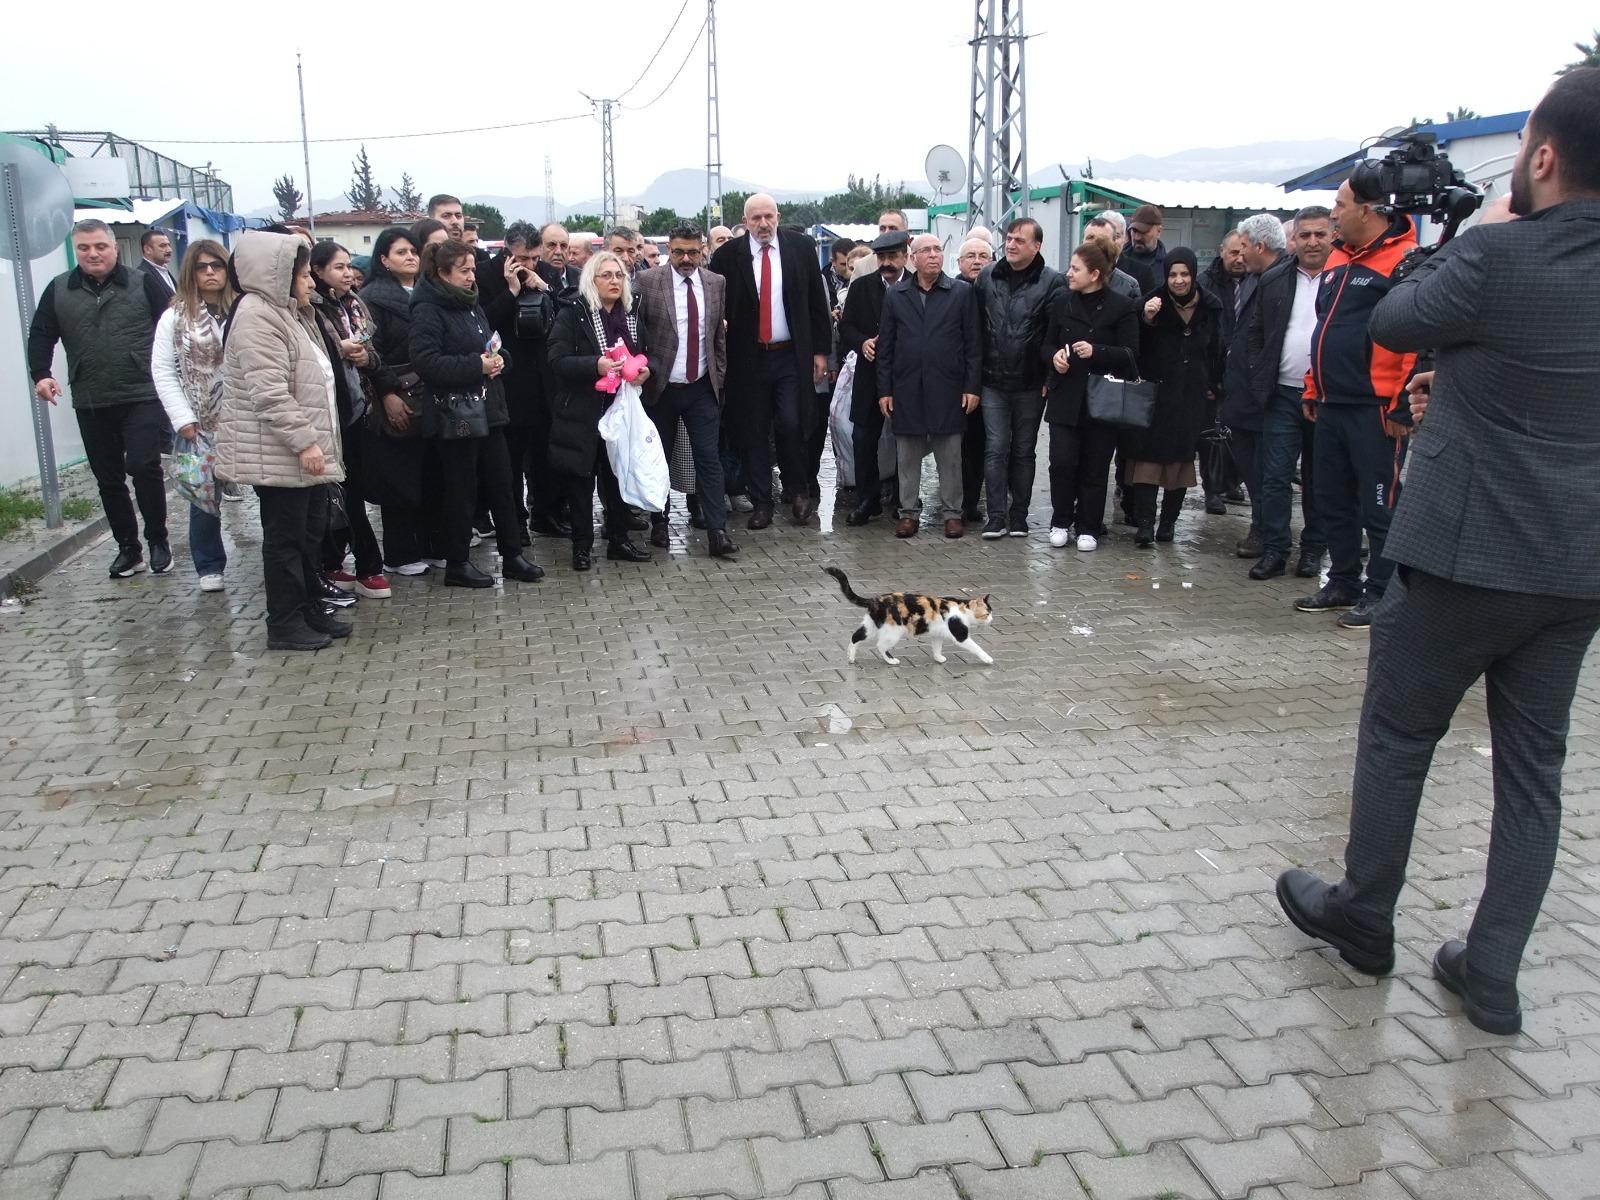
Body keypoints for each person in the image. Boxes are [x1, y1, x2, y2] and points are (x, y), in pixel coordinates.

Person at [1275, 69, 1600, 1037]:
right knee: (1533, 774)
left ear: (1544, 158)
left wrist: (1471, 232)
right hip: (1576, 569)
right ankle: (1491, 971)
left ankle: (1364, 916)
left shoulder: (1498, 252)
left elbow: (1394, 318)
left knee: (1398, 734)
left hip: (1464, 555)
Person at [214, 231, 349, 651]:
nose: (310, 282)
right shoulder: (257, 316)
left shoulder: (288, 312)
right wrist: (306, 442)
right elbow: (269, 392)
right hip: (281, 452)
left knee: (309, 535)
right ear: (277, 275)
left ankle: (308, 609)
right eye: (304, 275)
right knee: (286, 540)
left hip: (301, 451)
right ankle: (285, 622)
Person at [1293, 176, 1418, 629]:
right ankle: (1343, 581)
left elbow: (1415, 337)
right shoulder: (1338, 258)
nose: (1333, 214)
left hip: (1377, 408)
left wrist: (1401, 402)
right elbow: (1324, 328)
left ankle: (1382, 593)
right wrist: (1313, 385)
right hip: (1331, 403)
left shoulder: (1406, 260)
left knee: (1379, 507)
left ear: (1366, 210)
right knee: (1332, 499)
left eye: (1340, 205)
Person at [29, 219, 172, 578]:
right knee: (108, 479)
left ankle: (158, 540)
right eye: (84, 248)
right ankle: (129, 549)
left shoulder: (142, 282)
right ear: (76, 250)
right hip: (91, 397)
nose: (92, 254)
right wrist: (41, 374)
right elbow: (41, 334)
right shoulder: (59, 289)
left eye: (100, 246)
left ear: (114, 248)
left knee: (143, 466)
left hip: (141, 393)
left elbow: (171, 328)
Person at [409, 238, 545, 588]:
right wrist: (476, 366)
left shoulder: (472, 304)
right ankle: (457, 562)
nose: (472, 277)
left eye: (472, 269)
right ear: (442, 273)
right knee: (462, 488)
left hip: (490, 408)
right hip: (456, 414)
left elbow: (492, 343)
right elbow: (426, 361)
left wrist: (500, 361)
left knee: (502, 483)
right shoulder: (428, 308)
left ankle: (512, 555)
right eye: (464, 271)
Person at [707, 193, 831, 529]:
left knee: (791, 422)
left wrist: (820, 351)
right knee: (754, 430)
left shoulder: (800, 249)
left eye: (769, 217)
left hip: (790, 355)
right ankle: (762, 501)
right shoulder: (727, 256)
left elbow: (816, 303)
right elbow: (715, 303)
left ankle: (798, 489)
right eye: (756, 218)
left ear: (778, 217)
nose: (763, 224)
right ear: (745, 222)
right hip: (747, 359)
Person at [546, 250, 659, 570]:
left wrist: (647, 371)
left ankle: (619, 540)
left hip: (621, 410)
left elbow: (647, 353)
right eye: (606, 275)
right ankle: (581, 547)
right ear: (591, 280)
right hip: (583, 412)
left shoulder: (631, 315)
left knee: (617, 476)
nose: (614, 281)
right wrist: (595, 365)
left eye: (619, 275)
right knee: (581, 483)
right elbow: (557, 360)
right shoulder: (573, 312)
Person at [636, 224, 737, 559]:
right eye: (679, 252)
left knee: (709, 458)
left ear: (703, 250)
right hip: (661, 387)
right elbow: (638, 333)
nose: (686, 259)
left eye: (693, 252)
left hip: (701, 387)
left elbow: (718, 336)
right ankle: (659, 521)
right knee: (659, 458)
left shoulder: (716, 283)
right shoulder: (648, 281)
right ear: (669, 249)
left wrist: (719, 376)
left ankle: (717, 531)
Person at [1243, 206, 1333, 581]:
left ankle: (1313, 549)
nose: (1312, 242)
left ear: (1332, 235)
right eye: (1304, 235)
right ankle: (1276, 549)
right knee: (1276, 476)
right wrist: (1258, 372)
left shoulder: (1345, 275)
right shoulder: (1275, 278)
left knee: (1320, 478)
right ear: (1292, 238)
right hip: (1282, 393)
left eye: (1320, 234)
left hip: (1328, 397)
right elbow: (1256, 333)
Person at [876, 234, 981, 539]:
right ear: (913, 258)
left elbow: (974, 345)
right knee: (907, 456)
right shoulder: (896, 295)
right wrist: (885, 390)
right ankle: (908, 513)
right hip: (906, 387)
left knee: (950, 456)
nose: (934, 255)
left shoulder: (961, 293)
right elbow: (886, 347)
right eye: (926, 250)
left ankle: (952, 514)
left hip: (949, 387)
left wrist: (972, 386)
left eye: (938, 249)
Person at [1041, 239, 1141, 551]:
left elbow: (1131, 353)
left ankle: (1089, 525)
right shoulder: (1062, 302)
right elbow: (1046, 344)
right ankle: (1060, 520)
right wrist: (1054, 357)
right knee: (1061, 462)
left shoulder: (1121, 306)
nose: (1069, 273)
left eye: (1075, 269)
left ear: (1095, 274)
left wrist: (1097, 351)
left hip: (1103, 399)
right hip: (1065, 397)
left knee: (1095, 466)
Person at [972, 216, 1065, 539]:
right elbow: (975, 329)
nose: (1011, 245)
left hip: (1030, 382)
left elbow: (1054, 333)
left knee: (1024, 450)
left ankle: (1020, 515)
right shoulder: (987, 277)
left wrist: (1050, 378)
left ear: (1036, 246)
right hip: (992, 381)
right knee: (995, 448)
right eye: (1009, 238)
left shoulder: (1052, 282)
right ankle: (996, 516)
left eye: (1019, 240)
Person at [308, 241, 390, 604]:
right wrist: (336, 350)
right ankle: (361, 564)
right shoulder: (311, 309)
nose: (347, 274)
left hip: (360, 408)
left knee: (353, 490)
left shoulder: (354, 305)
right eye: (338, 267)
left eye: (348, 267)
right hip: (330, 414)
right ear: (318, 271)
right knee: (342, 494)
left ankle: (340, 562)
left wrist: (364, 357)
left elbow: (374, 348)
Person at [151, 239, 234, 591]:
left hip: (245, 417)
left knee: (268, 489)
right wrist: (182, 418)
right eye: (202, 267)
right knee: (202, 494)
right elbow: (163, 370)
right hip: (199, 421)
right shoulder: (175, 317)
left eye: (217, 265)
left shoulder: (242, 309)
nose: (210, 272)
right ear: (191, 273)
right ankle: (209, 564)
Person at [1127, 249, 1223, 546]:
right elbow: (1134, 344)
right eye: (1172, 275)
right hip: (1156, 395)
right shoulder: (1151, 303)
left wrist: (1215, 384)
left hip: (1191, 395)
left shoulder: (1210, 306)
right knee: (1147, 461)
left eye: (1184, 274)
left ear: (1193, 275)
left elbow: (1217, 349)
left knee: (1180, 462)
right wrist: (1147, 318)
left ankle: (1168, 523)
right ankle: (1145, 524)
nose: (1178, 280)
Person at [479, 221, 558, 546]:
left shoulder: (546, 273)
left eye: (535, 258)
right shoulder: (485, 275)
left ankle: (545, 513)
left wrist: (544, 288)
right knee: (509, 461)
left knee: (543, 455)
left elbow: (564, 314)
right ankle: (514, 523)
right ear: (507, 252)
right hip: (507, 381)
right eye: (523, 258)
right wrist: (511, 291)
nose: (530, 264)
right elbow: (483, 323)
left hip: (542, 380)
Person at [359, 227, 433, 577]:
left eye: (413, 251)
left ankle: (430, 544)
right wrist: (387, 393)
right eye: (401, 252)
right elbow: (371, 354)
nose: (410, 257)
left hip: (429, 395)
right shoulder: (372, 298)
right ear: (384, 259)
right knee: (398, 478)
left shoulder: (427, 291)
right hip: (394, 393)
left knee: (429, 475)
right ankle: (400, 553)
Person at [1221, 215, 1289, 552]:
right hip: (1242, 394)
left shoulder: (1283, 280)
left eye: (1244, 247)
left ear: (1259, 246)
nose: (1240, 254)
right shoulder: (1254, 279)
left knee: (1268, 473)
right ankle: (1262, 528)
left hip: (1265, 396)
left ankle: (1269, 533)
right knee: (1251, 468)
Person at [838, 231, 909, 525]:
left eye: (892, 256)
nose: (886, 263)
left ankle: (905, 498)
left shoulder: (915, 285)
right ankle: (868, 499)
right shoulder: (862, 286)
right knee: (862, 438)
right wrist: (862, 342)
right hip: (869, 374)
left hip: (905, 375)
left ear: (905, 256)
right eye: (881, 257)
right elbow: (846, 327)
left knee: (907, 438)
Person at [1200, 230, 1251, 515]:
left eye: (1243, 252)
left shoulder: (1257, 281)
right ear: (1222, 251)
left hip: (1245, 369)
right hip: (1215, 367)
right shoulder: (1206, 283)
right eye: (1233, 253)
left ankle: (1233, 481)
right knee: (1212, 434)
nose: (1239, 259)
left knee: (1238, 431)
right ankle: (1213, 489)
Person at [954, 236, 995, 522]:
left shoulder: (996, 290)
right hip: (952, 380)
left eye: (983, 256)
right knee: (952, 447)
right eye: (970, 256)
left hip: (987, 380)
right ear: (959, 262)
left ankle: (969, 502)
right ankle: (952, 502)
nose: (977, 261)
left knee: (977, 446)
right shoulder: (950, 290)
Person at [1083, 218, 1142, 300]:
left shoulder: (1129, 287)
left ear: (1113, 244)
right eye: (1090, 237)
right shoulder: (1067, 281)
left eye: (1103, 239)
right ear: (1082, 242)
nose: (1095, 243)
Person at [1118, 204, 1167, 294]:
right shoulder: (1117, 260)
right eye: (1134, 231)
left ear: (1159, 231)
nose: (1137, 237)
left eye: (1144, 232)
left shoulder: (1168, 267)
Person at [141, 229, 177, 298]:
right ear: (147, 249)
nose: (169, 250)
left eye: (169, 245)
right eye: (163, 246)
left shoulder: (164, 270)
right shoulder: (142, 276)